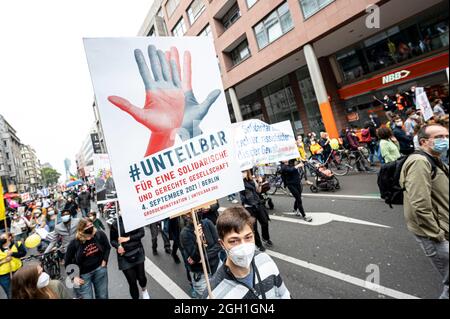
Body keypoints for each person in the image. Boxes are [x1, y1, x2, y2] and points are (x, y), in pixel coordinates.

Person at [400, 124, 449, 299]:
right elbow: (420, 204)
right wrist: (437, 234)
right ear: (423, 141)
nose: (445, 140)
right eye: (440, 137)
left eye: (446, 135)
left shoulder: (435, 159)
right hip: (432, 233)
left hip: (442, 225)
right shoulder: (419, 162)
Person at [202, 207, 290, 299]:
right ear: (222, 244)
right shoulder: (213, 294)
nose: (243, 247)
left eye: (248, 237)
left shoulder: (265, 259)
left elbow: (284, 294)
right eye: (234, 241)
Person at [64, 218, 111, 299]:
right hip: (83, 275)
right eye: (87, 226)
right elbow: (67, 262)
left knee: (103, 296)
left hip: (100, 270)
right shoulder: (75, 243)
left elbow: (107, 247)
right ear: (81, 229)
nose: (90, 227)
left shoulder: (99, 234)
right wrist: (74, 277)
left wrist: (105, 260)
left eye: (91, 225)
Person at [180, 213, 223, 298]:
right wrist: (198, 242)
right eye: (188, 215)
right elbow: (194, 258)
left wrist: (204, 258)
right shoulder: (185, 234)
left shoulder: (207, 223)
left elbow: (219, 245)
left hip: (217, 267)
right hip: (201, 275)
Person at [110, 213, 150, 299]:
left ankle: (144, 289)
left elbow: (141, 233)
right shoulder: (115, 224)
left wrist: (127, 238)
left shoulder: (135, 219)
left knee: (141, 277)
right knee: (132, 282)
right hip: (124, 256)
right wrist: (118, 246)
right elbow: (112, 240)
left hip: (137, 251)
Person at [240, 170, 272, 252]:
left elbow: (258, 191)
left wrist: (260, 183)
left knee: (265, 222)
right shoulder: (239, 183)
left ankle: (265, 238)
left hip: (258, 204)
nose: (243, 173)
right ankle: (258, 244)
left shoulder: (252, 179)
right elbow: (243, 193)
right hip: (249, 207)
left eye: (244, 171)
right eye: (241, 172)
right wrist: (241, 180)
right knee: (254, 228)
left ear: (248, 172)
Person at [0, 232, 26, 298]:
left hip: (18, 271)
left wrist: (13, 253)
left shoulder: (17, 244)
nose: (1, 239)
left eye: (3, 238)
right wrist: (4, 261)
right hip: (4, 276)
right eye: (0, 238)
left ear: (9, 237)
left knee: (22, 289)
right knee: (10, 293)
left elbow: (23, 253)